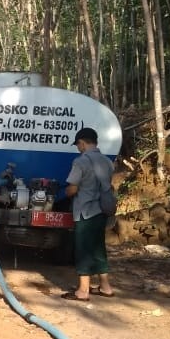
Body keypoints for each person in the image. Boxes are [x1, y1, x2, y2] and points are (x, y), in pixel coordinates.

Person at [62, 127, 115, 301]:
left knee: (83, 249)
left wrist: (66, 192)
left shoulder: (81, 162)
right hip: (102, 211)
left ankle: (83, 291)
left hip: (85, 212)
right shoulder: (107, 162)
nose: (78, 148)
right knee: (98, 248)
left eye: (78, 144)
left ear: (83, 143)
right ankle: (105, 287)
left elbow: (73, 188)